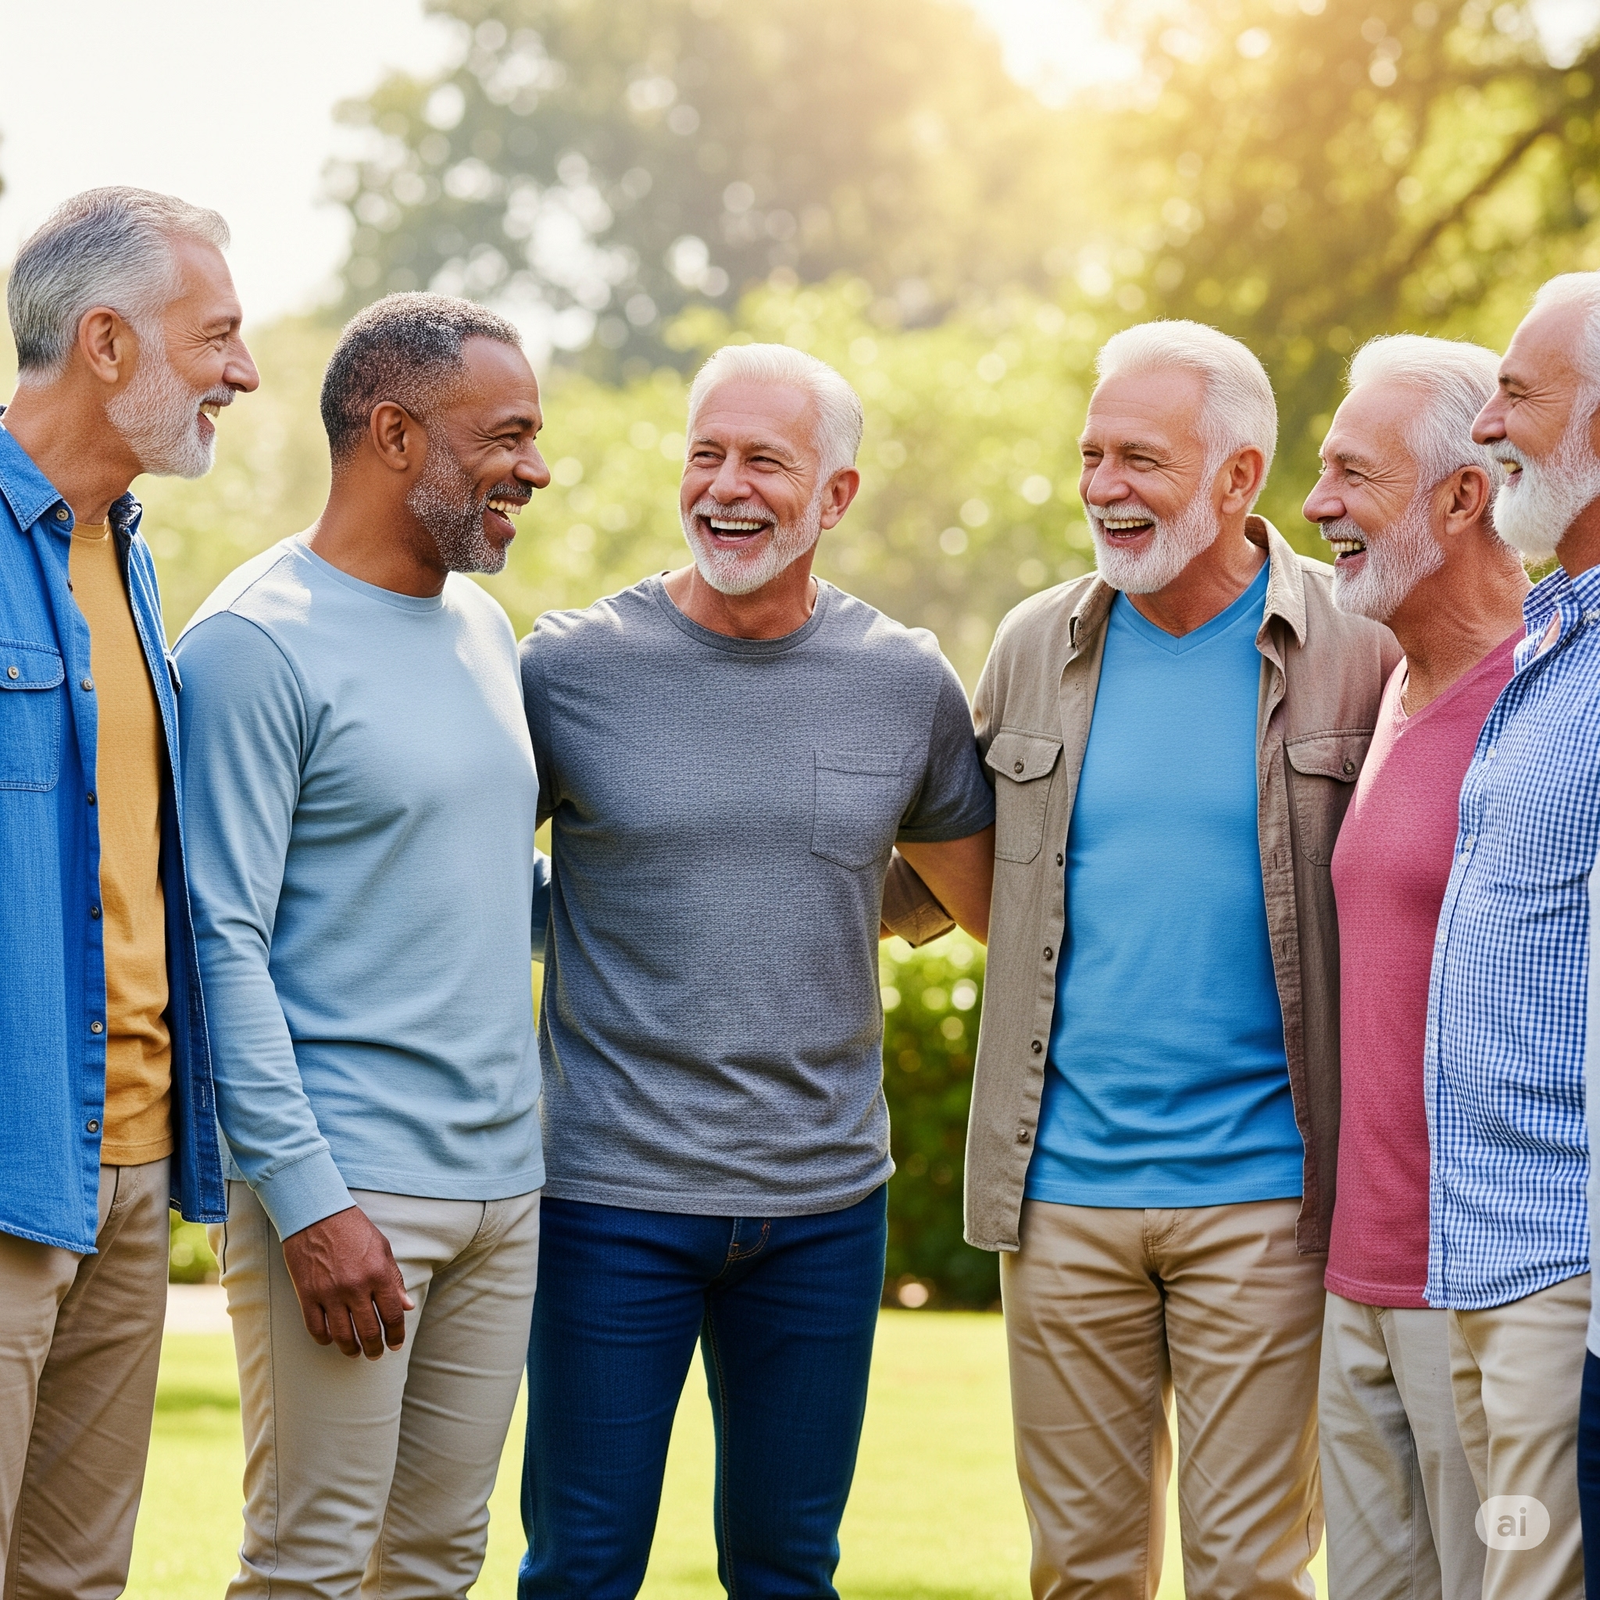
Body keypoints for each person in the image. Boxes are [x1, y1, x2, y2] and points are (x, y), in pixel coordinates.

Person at [515, 342, 995, 1600]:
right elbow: (463, 868)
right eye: (706, 453)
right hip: (609, 1198)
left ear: (834, 496)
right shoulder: (569, 670)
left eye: (765, 461)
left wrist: (835, 897)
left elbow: (969, 890)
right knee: (581, 1567)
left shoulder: (904, 681)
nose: (726, 486)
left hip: (824, 1207)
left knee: (789, 1569)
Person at [960, 320, 1398, 1599]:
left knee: (1250, 1576)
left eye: (1140, 458)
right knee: (1079, 1576)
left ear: (1237, 477)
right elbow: (951, 877)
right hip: (1060, 1195)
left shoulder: (1357, 648)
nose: (1104, 485)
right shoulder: (1034, 643)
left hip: (1266, 1198)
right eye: (1091, 453)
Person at [174, 293, 551, 1600]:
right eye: (506, 435)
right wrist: (309, 1204)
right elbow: (220, 944)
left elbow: (484, 887)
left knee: (440, 1564)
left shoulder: (484, 631)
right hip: (351, 1193)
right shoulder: (251, 645)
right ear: (396, 435)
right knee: (310, 1568)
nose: (537, 470)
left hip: (508, 1189)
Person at [0, 186, 256, 1598]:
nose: (245, 372)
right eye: (215, 335)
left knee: (75, 1584)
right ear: (105, 342)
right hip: (6, 1148)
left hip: (133, 1160)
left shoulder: (131, 558)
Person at [1303, 334, 1526, 1600]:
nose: (1318, 503)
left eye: (1351, 474)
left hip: (1486, 1289)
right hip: (1362, 1276)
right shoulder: (1384, 682)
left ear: (1461, 495)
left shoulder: (1545, 699)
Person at [1428, 272, 1600, 1600]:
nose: (1486, 421)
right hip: (1477, 1249)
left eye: (1521, 393)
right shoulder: (1553, 638)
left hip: (1564, 1261)